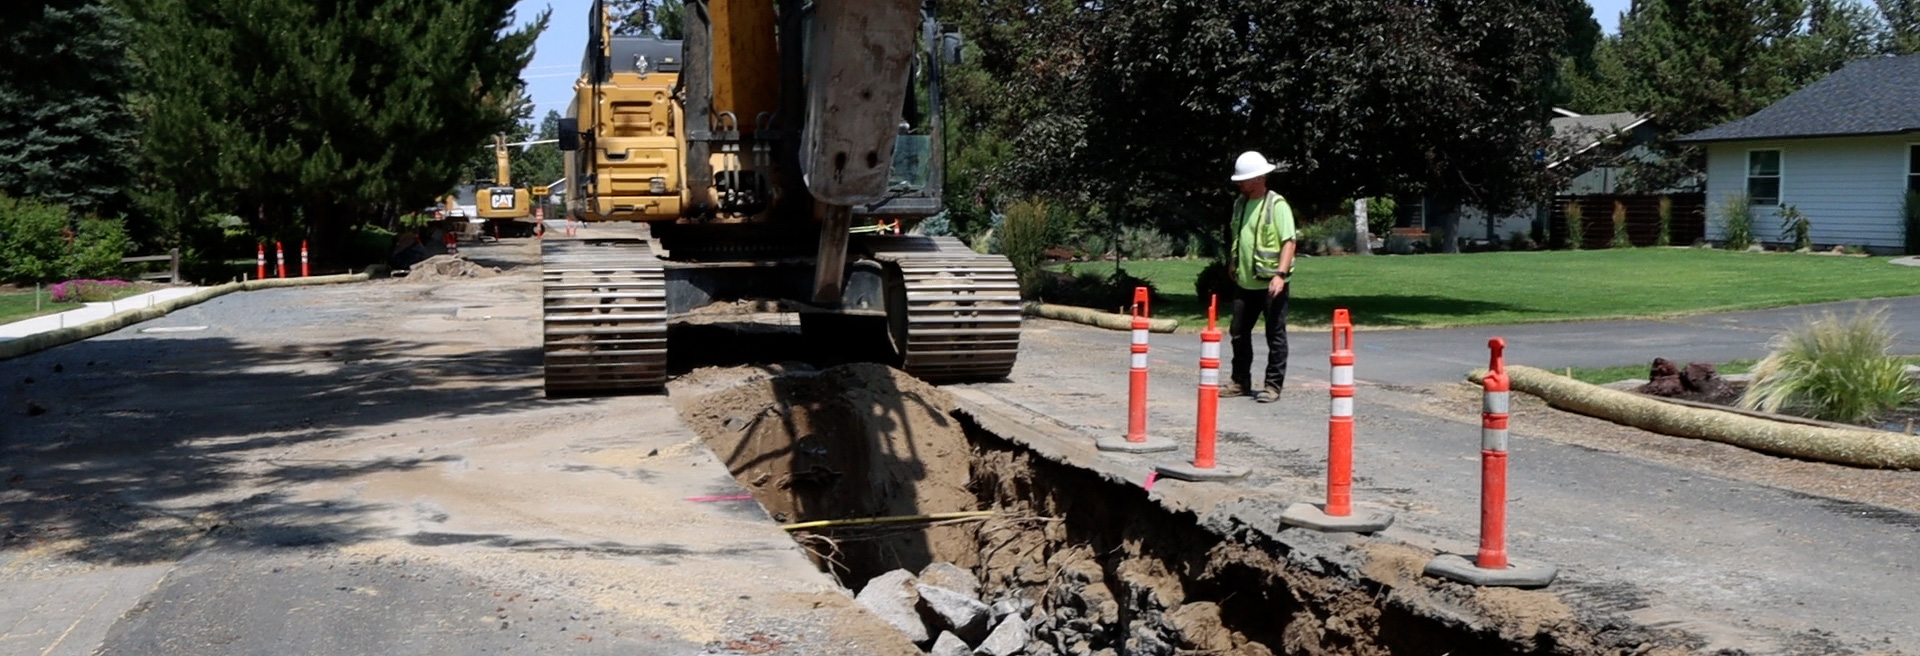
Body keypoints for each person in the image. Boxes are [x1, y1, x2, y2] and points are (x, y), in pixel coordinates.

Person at [1223, 151, 1297, 403]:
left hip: (1271, 284)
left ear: (1259, 178)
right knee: (1239, 333)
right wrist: (1233, 261)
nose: (1240, 184)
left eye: (1244, 180)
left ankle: (1273, 385)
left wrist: (1280, 275)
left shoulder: (1277, 205)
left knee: (1274, 335)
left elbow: (1289, 242)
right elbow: (1238, 235)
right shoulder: (1240, 204)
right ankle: (1240, 381)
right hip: (1245, 283)